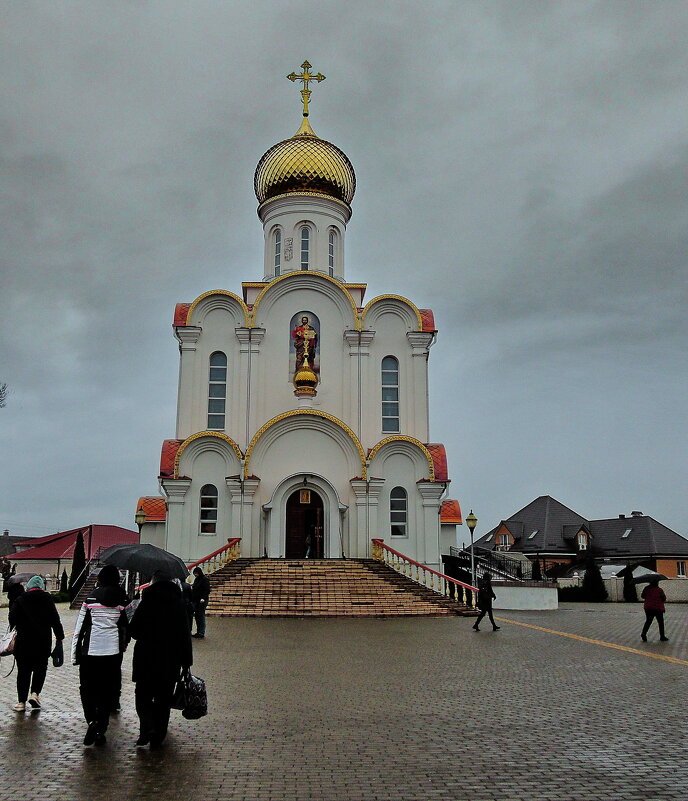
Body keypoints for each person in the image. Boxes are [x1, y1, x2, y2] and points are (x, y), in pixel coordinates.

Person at [129, 571, 192, 747]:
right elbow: (185, 635)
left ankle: (146, 728)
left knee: (143, 696)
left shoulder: (146, 603)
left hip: (145, 658)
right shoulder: (178, 604)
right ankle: (158, 735)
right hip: (170, 660)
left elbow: (134, 631)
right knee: (164, 699)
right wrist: (187, 662)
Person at [71, 565, 129, 746]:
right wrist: (122, 647)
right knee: (106, 691)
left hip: (91, 651)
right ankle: (101, 727)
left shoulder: (90, 599)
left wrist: (75, 655)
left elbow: (79, 629)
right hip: (112, 652)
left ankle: (91, 720)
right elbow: (126, 628)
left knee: (87, 689)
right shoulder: (122, 600)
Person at [8, 575, 64, 712]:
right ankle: (35, 694)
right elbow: (55, 619)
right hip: (42, 642)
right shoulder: (47, 598)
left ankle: (21, 702)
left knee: (23, 672)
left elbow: (12, 618)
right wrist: (59, 637)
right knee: (40, 668)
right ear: (41, 586)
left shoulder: (21, 599)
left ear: (29, 587)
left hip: (23, 643)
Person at [641, 577, 669, 642]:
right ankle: (662, 636)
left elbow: (642, 596)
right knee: (660, 622)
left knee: (648, 621)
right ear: (657, 583)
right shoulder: (659, 590)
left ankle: (643, 633)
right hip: (658, 608)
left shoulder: (646, 589)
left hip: (648, 608)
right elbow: (664, 598)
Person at [191, 567, 211, 638]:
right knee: (197, 616)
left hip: (202, 601)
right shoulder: (197, 579)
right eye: (194, 573)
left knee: (201, 615)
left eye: (196, 573)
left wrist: (203, 598)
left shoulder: (204, 579)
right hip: (196, 600)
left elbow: (207, 590)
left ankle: (201, 632)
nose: (195, 574)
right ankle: (198, 631)